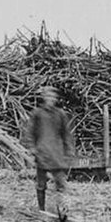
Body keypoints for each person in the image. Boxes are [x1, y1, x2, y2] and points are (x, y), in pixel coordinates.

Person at [21, 86, 73, 215]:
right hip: (42, 152)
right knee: (41, 184)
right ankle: (42, 210)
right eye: (48, 96)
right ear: (43, 98)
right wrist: (32, 147)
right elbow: (30, 131)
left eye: (52, 97)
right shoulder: (37, 114)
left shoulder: (60, 114)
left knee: (60, 182)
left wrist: (69, 150)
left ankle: (62, 211)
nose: (50, 99)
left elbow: (66, 134)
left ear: (56, 99)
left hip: (56, 152)